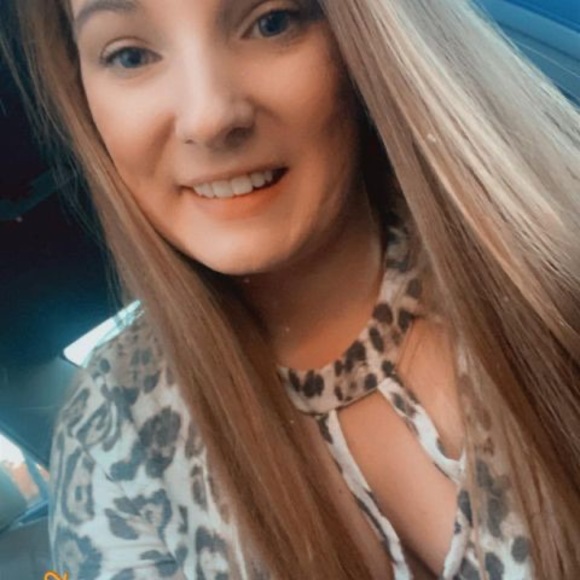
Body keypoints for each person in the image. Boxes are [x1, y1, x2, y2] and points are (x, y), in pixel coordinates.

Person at [3, 0, 580, 577]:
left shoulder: (550, 258)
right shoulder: (113, 438)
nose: (209, 117)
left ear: (361, 34)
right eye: (129, 56)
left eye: (271, 22)